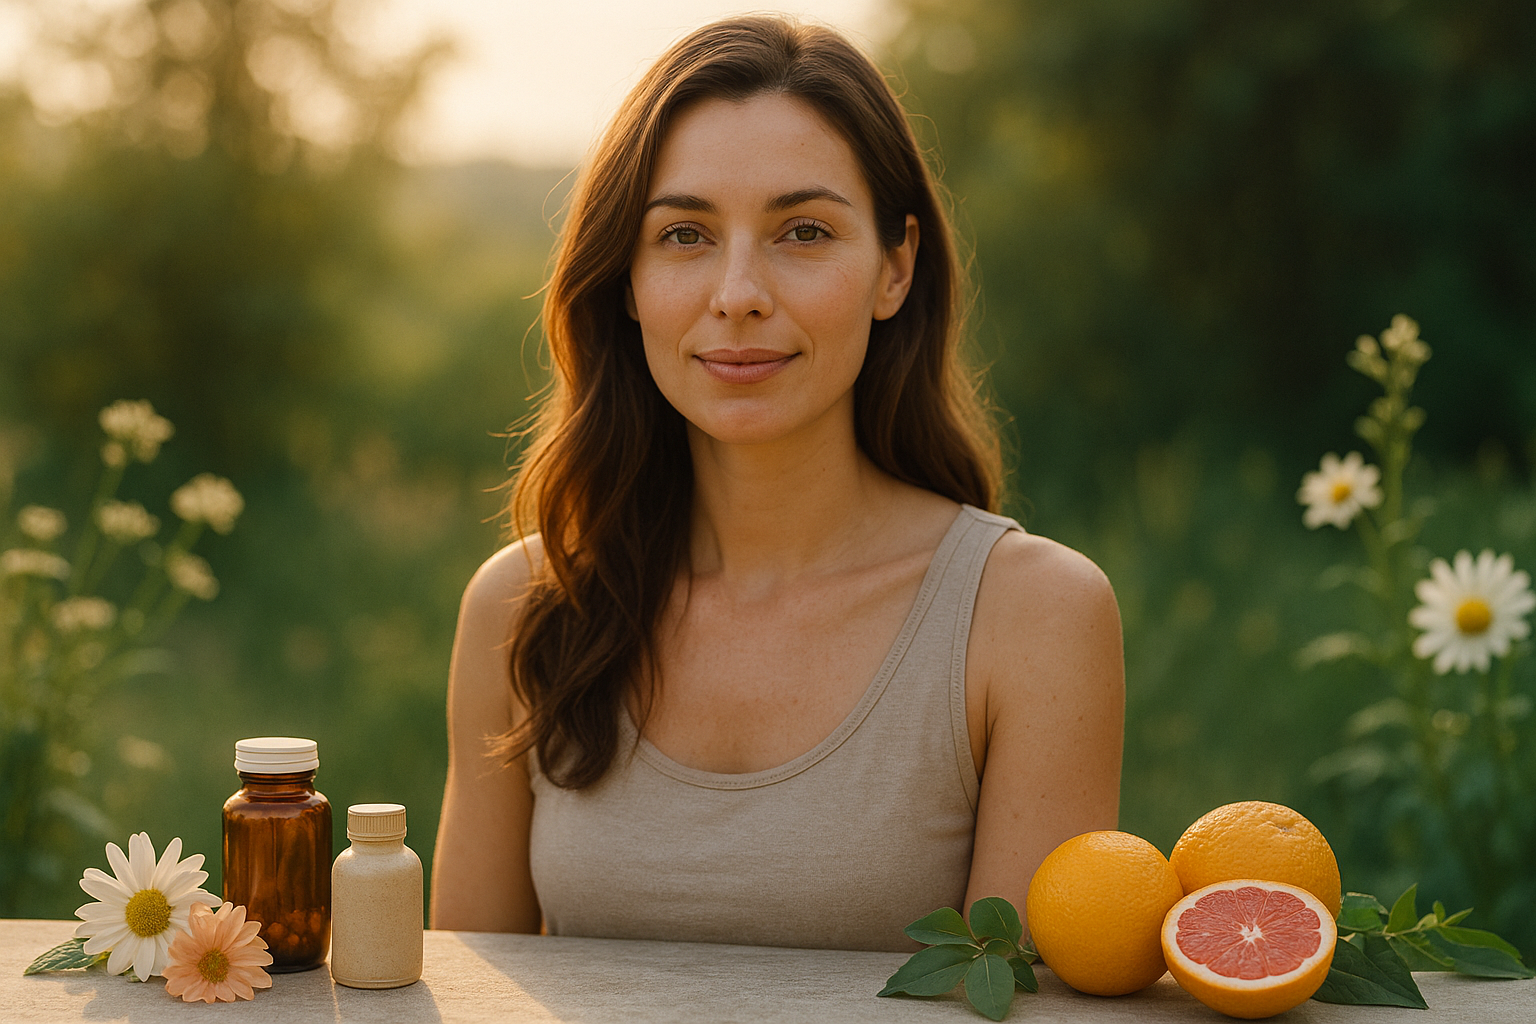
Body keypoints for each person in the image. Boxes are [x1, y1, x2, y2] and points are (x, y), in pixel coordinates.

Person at [430, 15, 1123, 952]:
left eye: (803, 231)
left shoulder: (1033, 619)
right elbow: (466, 992)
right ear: (626, 281)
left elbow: (1023, 1008)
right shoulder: (522, 605)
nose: (739, 292)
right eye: (684, 234)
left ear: (895, 265)